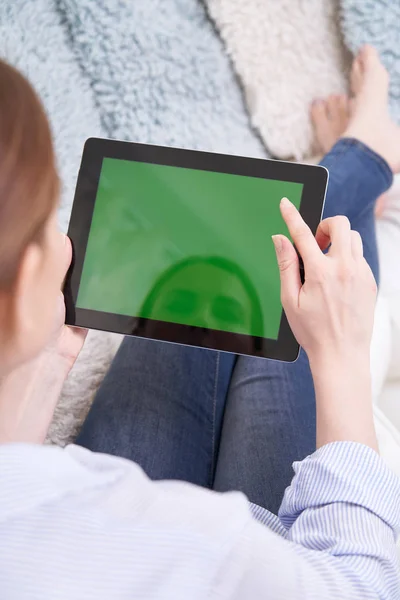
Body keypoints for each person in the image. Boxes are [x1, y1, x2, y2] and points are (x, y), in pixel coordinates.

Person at [0, 45, 399, 599]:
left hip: (111, 513)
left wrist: (36, 375)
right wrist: (344, 361)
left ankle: (356, 176)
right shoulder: (203, 544)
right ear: (19, 295)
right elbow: (364, 584)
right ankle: (364, 165)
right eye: (46, 223)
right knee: (289, 298)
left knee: (208, 282)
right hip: (281, 555)